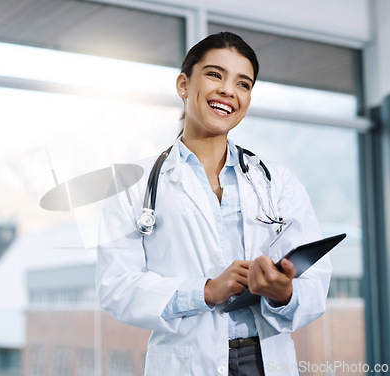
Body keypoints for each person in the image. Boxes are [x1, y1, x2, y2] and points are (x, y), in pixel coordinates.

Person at [96, 31, 332, 376]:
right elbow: (115, 286)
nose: (228, 90)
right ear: (183, 85)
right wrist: (206, 291)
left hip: (268, 359)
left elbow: (314, 284)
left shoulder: (277, 182)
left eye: (243, 83)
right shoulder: (131, 185)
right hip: (188, 362)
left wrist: (283, 293)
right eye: (214, 74)